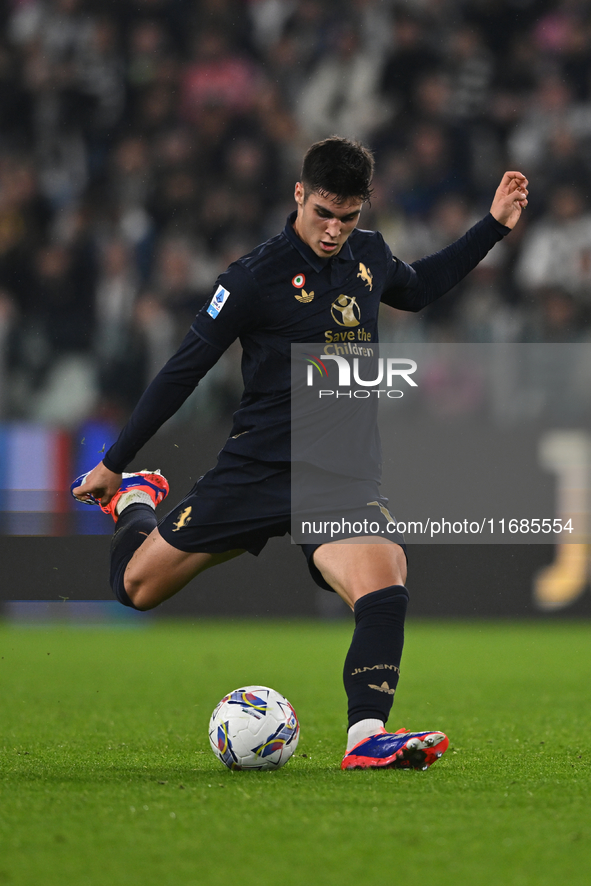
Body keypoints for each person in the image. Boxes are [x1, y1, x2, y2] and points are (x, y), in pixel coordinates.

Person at [72, 137, 528, 770]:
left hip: (338, 478)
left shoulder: (369, 257)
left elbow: (420, 288)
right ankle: (135, 502)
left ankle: (366, 736)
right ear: (299, 195)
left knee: (384, 579)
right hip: (256, 469)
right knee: (135, 588)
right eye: (324, 214)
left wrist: (493, 228)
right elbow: (184, 370)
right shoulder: (252, 277)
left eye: (348, 216)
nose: (335, 230)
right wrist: (115, 462)